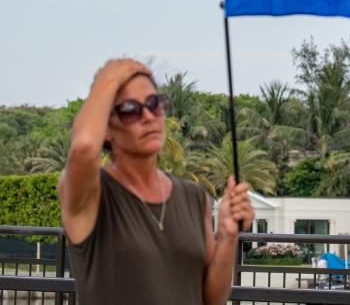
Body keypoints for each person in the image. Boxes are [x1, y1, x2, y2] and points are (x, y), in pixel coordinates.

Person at [59, 58, 255, 305]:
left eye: (155, 104)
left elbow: (211, 300)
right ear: (106, 129)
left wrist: (227, 237)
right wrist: (107, 77)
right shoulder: (91, 195)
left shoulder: (194, 197)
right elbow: (84, 147)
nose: (148, 117)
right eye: (130, 110)